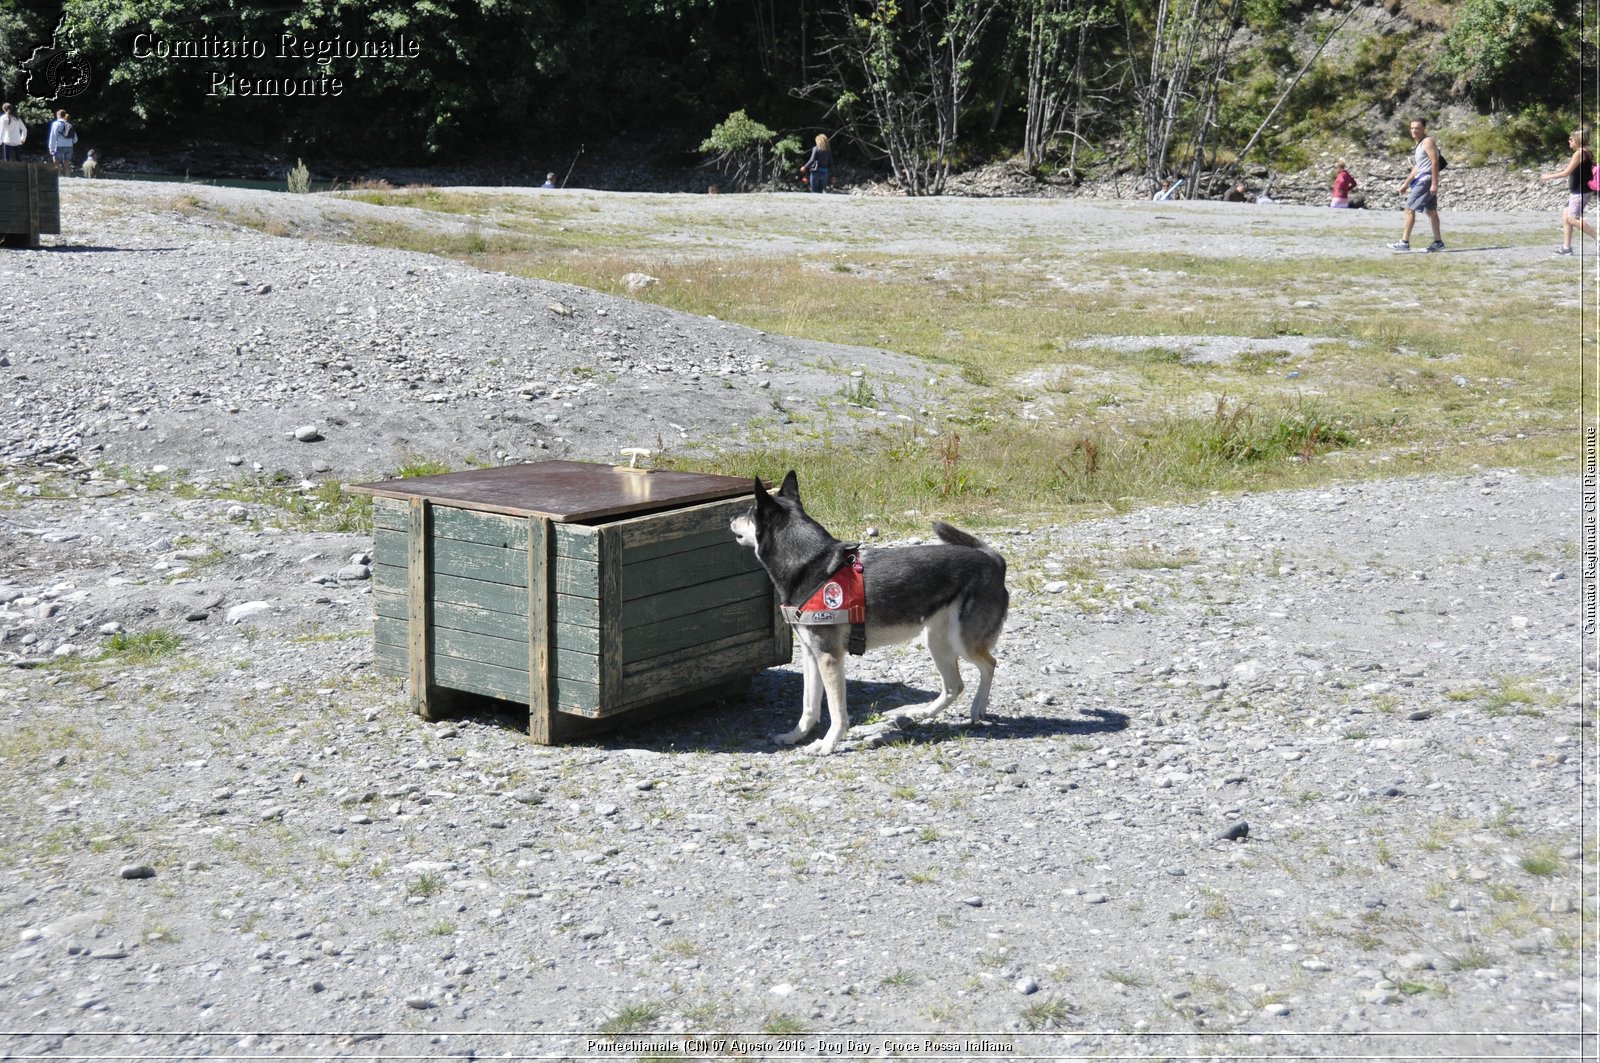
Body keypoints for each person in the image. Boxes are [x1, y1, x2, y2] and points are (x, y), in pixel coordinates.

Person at [1539, 128, 1594, 256]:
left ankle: (1598, 238)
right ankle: (1566, 247)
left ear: (1578, 140)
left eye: (1571, 139)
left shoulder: (1579, 153)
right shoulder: (1586, 152)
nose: (1569, 141)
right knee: (1566, 215)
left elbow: (1566, 172)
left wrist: (1548, 176)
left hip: (1581, 190)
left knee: (1572, 219)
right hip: (1579, 190)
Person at [1391, 118, 1444, 252]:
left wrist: (1434, 184)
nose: (1414, 131)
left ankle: (1404, 242)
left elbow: (1435, 162)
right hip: (1422, 179)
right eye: (1412, 128)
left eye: (1417, 128)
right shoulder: (1420, 144)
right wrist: (1405, 184)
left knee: (1409, 209)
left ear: (1424, 129)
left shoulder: (1428, 142)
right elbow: (1417, 167)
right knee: (1431, 212)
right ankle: (1438, 242)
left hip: (1426, 180)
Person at [47, 109, 76, 176]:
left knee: (56, 163)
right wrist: (71, 143)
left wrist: (51, 148)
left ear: (58, 115)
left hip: (59, 146)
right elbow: (75, 139)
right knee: (67, 164)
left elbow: (53, 136)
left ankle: (59, 177)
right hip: (69, 146)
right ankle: (68, 177)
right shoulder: (69, 124)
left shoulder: (55, 124)